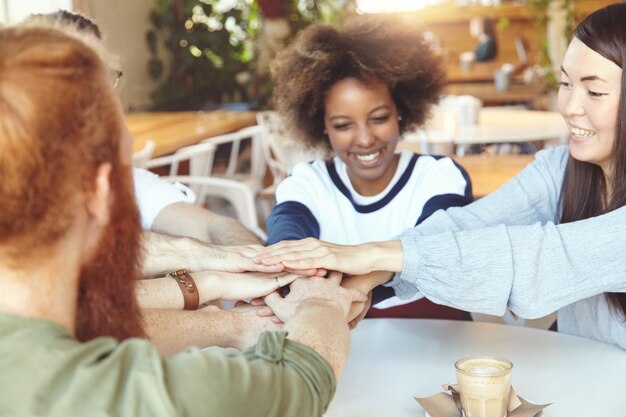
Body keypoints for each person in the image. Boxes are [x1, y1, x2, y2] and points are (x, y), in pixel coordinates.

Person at [0, 25, 367, 415]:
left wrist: (213, 279)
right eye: (127, 171)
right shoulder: (131, 394)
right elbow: (297, 379)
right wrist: (322, 304)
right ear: (99, 192)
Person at [255, 2, 626, 350]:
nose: (570, 107)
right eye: (565, 84)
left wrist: (372, 254)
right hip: (590, 370)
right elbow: (469, 224)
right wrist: (366, 277)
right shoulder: (560, 170)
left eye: (594, 91)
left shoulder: (436, 175)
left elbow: (537, 262)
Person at [265, 15, 473, 319]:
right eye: (342, 124)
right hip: (347, 336)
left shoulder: (439, 177)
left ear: (401, 111)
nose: (364, 139)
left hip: (437, 330)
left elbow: (435, 249)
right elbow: (286, 243)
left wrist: (352, 287)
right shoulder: (308, 182)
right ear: (321, 124)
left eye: (378, 118)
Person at [27, 10, 261, 246]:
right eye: (80, 74)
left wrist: (256, 261)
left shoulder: (124, 181)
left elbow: (215, 226)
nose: (100, 93)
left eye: (103, 76)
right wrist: (190, 262)